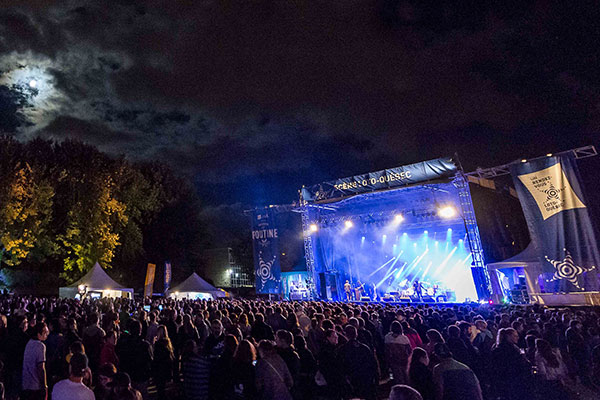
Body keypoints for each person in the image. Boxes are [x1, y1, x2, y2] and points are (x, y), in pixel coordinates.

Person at [338, 325, 378, 400]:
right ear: (356, 334)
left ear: (345, 334)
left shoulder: (342, 350)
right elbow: (372, 364)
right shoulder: (364, 348)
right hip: (365, 379)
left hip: (352, 380)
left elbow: (341, 367)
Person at [490, 328, 532, 400]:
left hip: (504, 380)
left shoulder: (497, 348)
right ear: (508, 336)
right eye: (515, 336)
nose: (518, 338)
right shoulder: (512, 349)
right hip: (513, 379)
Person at [21, 322, 49, 400]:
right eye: (44, 333)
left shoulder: (29, 343)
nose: (46, 335)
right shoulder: (41, 346)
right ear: (39, 334)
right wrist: (44, 385)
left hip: (26, 384)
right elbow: (41, 367)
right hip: (36, 386)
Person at [152, 325, 174, 399]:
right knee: (164, 389)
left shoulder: (159, 344)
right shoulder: (167, 343)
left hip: (159, 370)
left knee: (160, 389)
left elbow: (156, 358)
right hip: (165, 369)